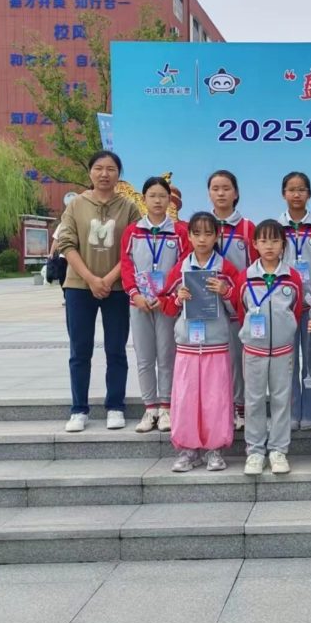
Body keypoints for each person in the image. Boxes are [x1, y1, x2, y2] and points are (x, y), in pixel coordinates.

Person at [56, 150, 142, 433]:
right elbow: (66, 244)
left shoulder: (129, 207)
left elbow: (133, 247)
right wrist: (91, 279)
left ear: (119, 175)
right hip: (79, 287)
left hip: (117, 289)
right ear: (90, 172)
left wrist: (108, 279)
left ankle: (115, 406)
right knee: (80, 350)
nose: (104, 174)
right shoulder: (76, 205)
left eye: (111, 169)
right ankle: (78, 409)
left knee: (116, 349)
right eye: (99, 168)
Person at [159, 212, 240, 472]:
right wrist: (178, 299)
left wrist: (226, 292)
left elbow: (241, 306)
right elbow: (167, 306)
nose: (202, 239)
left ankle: (215, 449)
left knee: (216, 398)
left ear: (217, 236)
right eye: (197, 234)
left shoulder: (226, 269)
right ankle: (188, 449)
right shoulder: (181, 268)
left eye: (208, 233)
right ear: (189, 237)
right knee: (186, 397)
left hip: (216, 343)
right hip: (188, 345)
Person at [120, 177, 189, 433]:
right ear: (143, 199)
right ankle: (150, 408)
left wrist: (166, 295)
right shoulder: (133, 231)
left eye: (162, 196)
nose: (158, 201)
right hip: (139, 303)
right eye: (152, 196)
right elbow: (126, 265)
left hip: (167, 303)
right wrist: (135, 294)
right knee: (145, 357)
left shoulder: (180, 232)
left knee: (167, 355)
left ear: (170, 200)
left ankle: (166, 407)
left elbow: (183, 265)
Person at [236, 219, 304, 475]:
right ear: (254, 244)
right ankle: (255, 451)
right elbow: (241, 310)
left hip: (283, 351)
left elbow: (296, 310)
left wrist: (284, 331)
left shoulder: (292, 277)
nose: (269, 246)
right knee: (253, 401)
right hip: (254, 351)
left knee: (281, 400)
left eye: (275, 240)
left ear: (283, 244)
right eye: (263, 240)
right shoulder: (245, 277)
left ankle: (278, 450)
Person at [278, 172, 311, 432]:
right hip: (284, 308)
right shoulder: (275, 228)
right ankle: (290, 412)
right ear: (283, 194)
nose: (296, 194)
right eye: (291, 189)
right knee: (287, 364)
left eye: (301, 189)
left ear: (309, 194)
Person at [207, 170, 256, 432]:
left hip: (237, 304)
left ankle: (240, 407)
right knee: (214, 360)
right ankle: (217, 408)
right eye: (215, 188)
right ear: (209, 193)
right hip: (208, 304)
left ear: (236, 193)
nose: (221, 193)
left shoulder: (247, 228)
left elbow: (256, 266)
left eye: (226, 188)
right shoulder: (202, 225)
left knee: (238, 359)